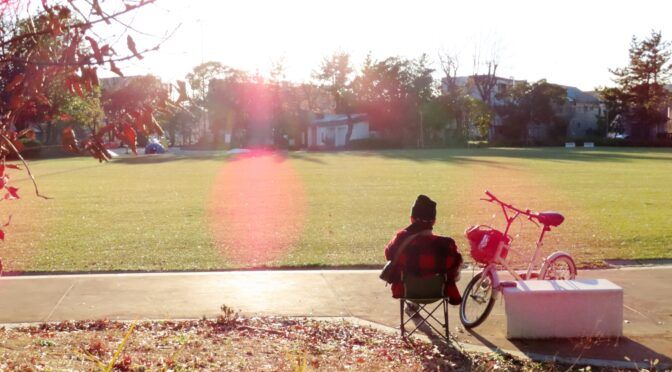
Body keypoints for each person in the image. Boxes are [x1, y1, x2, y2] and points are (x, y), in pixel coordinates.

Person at [383, 195, 462, 305]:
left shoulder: (401, 239)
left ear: (412, 219)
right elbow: (455, 267)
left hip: (406, 291)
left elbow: (388, 254)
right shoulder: (448, 244)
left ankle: (412, 305)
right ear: (434, 221)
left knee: (408, 270)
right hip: (438, 292)